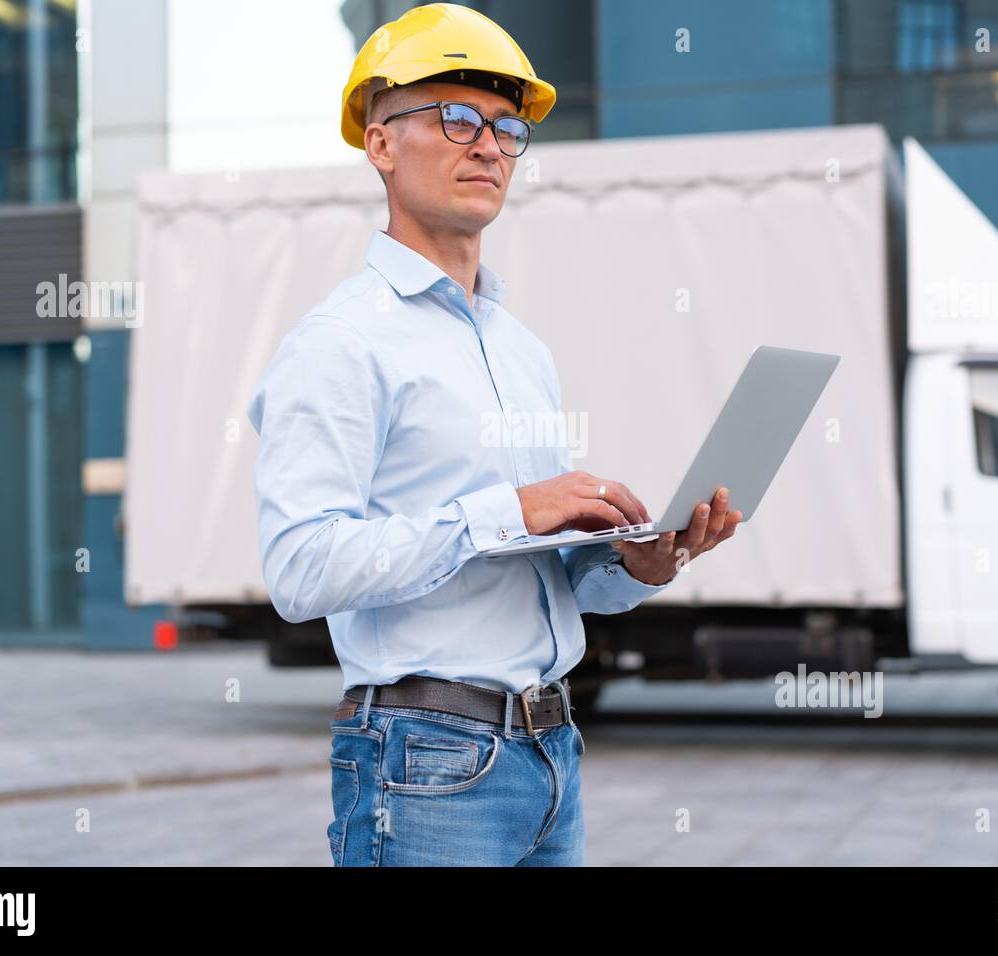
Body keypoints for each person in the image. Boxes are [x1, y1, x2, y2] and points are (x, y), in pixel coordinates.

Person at [246, 2, 740, 867]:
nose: (489, 146)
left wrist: (634, 564)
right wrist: (505, 509)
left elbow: (536, 575)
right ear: (380, 142)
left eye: (507, 129)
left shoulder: (518, 348)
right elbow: (300, 567)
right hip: (424, 764)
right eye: (458, 118)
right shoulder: (339, 344)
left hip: (551, 751)